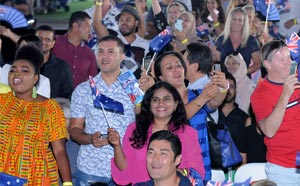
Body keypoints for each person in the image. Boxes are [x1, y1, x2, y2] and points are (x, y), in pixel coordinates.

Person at [69, 35, 136, 185]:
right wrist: (90, 139)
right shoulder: (84, 89)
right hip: (90, 168)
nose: (104, 56)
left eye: (111, 52)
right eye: (100, 51)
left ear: (122, 56)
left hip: (125, 167)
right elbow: (74, 129)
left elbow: (145, 124)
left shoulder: (134, 87)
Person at [0, 45, 72, 185]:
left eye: (24, 71)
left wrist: (67, 183)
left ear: (35, 79)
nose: (16, 74)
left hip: (36, 175)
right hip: (4, 172)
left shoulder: (50, 108)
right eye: (13, 70)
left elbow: (59, 150)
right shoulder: (2, 101)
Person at [109, 81, 205, 185]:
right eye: (155, 100)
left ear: (175, 104)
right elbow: (125, 171)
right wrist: (117, 146)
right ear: (149, 105)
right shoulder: (134, 130)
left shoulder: (187, 133)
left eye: (166, 99)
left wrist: (177, 172)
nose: (161, 103)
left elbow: (196, 171)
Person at [251, 40, 300, 185]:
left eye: (289, 58)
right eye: (282, 60)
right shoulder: (260, 94)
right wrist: (285, 95)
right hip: (285, 170)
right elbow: (269, 130)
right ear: (268, 64)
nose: (289, 63)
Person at [93, 2, 149, 78]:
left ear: (136, 23)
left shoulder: (145, 45)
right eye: (121, 20)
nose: (124, 23)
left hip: (135, 86)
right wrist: (98, 3)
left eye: (128, 20)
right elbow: (97, 25)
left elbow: (147, 69)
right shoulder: (112, 37)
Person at [52, 11, 98, 88]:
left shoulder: (89, 53)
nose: (90, 31)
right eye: (87, 26)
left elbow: (93, 81)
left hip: (79, 98)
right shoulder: (54, 43)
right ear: (75, 26)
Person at [213, 7, 261, 75]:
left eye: (240, 20)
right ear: (229, 20)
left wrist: (244, 72)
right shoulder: (221, 40)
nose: (236, 22)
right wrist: (218, 77)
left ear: (244, 22)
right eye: (234, 19)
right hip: (225, 80)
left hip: (244, 80)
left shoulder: (251, 41)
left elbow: (257, 63)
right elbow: (216, 62)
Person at [35, 25, 74, 99]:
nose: (43, 42)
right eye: (40, 38)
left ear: (53, 43)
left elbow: (67, 96)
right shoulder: (20, 65)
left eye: (47, 39)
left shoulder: (62, 67)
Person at [218, 72, 249, 153]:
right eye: (224, 86)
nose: (227, 90)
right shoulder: (211, 115)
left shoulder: (244, 118)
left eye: (231, 86)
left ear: (236, 90)